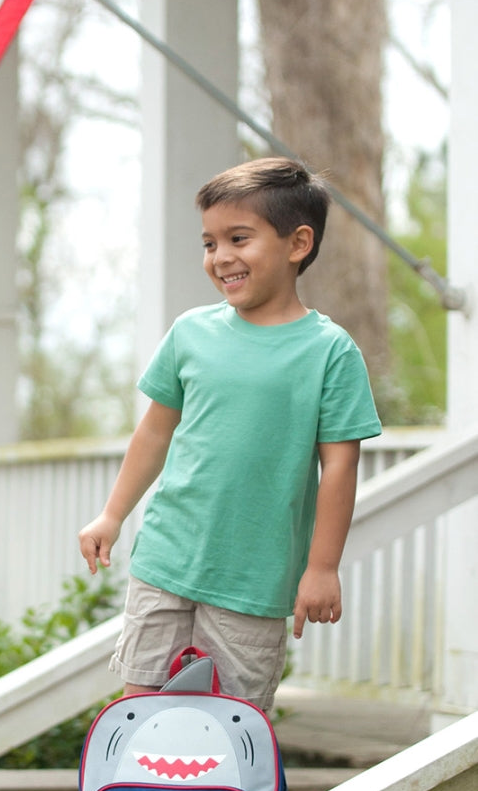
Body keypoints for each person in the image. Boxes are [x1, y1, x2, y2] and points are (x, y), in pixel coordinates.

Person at [78, 157, 382, 713]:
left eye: (237, 238)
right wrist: (112, 514)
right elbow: (155, 431)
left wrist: (321, 567)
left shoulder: (330, 352)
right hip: (167, 557)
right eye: (209, 243)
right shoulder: (190, 333)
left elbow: (339, 465)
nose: (219, 258)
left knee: (234, 721)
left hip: (254, 578)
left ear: (297, 244)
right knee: (137, 708)